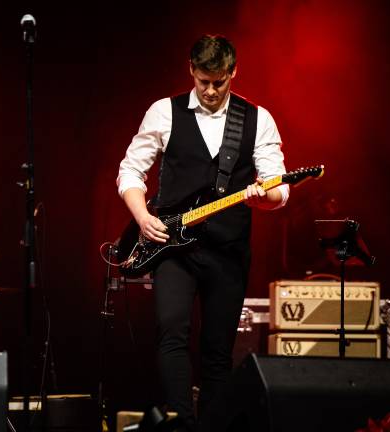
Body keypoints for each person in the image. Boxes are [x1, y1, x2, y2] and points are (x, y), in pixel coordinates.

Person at [116, 34, 290, 430]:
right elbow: (130, 171)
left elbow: (279, 190)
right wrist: (142, 217)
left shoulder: (257, 119)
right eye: (203, 81)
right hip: (172, 248)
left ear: (233, 72)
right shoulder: (164, 111)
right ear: (191, 70)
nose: (210, 91)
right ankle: (181, 424)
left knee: (217, 351)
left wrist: (261, 197)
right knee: (171, 334)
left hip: (228, 249)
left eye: (219, 82)